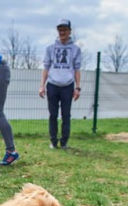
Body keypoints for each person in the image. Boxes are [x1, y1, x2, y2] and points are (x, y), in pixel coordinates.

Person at [39, 18, 82, 149]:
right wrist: (42, 86)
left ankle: (64, 142)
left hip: (67, 86)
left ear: (70, 31)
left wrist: (77, 87)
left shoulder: (75, 49)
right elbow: (46, 67)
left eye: (65, 29)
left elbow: (77, 69)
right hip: (52, 85)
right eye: (60, 30)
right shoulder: (50, 49)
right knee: (53, 115)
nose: (62, 32)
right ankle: (53, 141)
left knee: (66, 115)